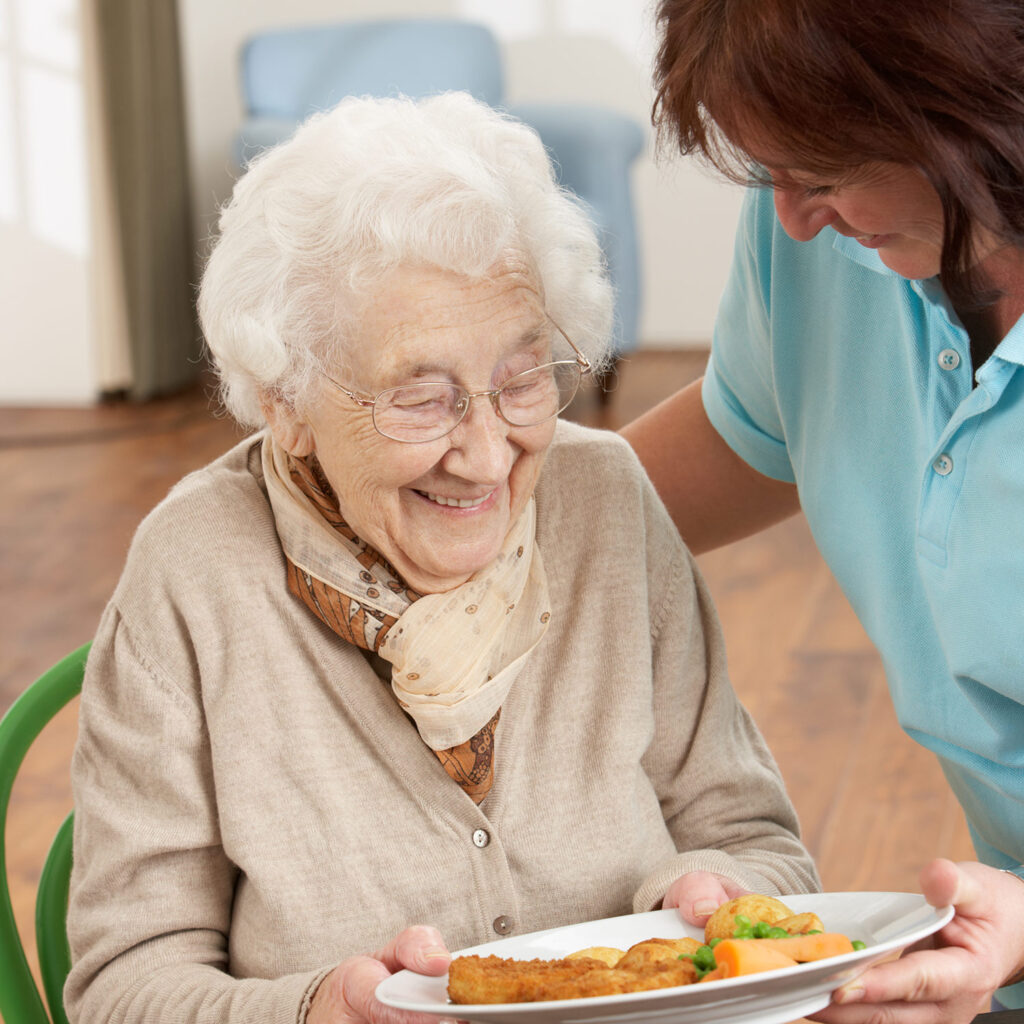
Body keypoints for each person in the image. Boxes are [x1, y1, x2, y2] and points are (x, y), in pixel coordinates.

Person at [64, 92, 818, 1024]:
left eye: (520, 379)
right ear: (284, 401)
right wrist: (311, 1012)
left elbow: (757, 841)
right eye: (422, 399)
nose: (488, 454)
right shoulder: (195, 572)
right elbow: (124, 983)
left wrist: (717, 897)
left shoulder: (607, 497)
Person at [622, 0, 1024, 1019]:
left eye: (826, 170)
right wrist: (476, 516)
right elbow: (755, 435)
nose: (792, 216)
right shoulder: (822, 237)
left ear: (974, 106)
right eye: (770, 170)